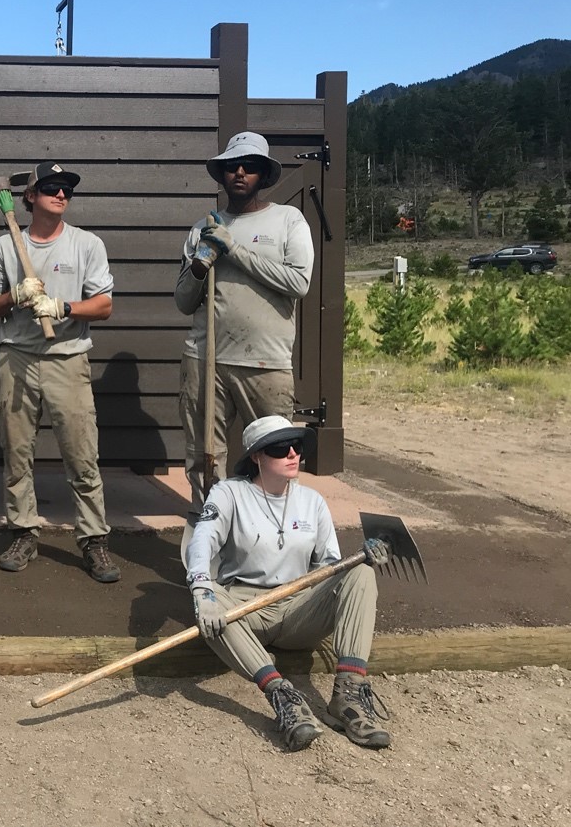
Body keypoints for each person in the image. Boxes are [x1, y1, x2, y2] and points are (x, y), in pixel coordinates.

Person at [185, 415, 394, 751]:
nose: (293, 454)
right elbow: (202, 539)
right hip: (245, 608)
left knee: (360, 573)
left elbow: (328, 567)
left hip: (299, 607)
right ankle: (284, 697)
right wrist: (201, 588)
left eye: (297, 446)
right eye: (281, 448)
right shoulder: (230, 493)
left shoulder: (312, 502)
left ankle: (349, 698)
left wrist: (359, 560)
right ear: (256, 456)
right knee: (206, 601)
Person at [0, 161, 120, 583]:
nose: (61, 194)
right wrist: (14, 296)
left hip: (68, 357)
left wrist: (64, 307)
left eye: (66, 189)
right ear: (29, 197)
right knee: (17, 452)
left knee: (82, 454)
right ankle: (24, 531)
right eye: (51, 187)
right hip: (16, 357)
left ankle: (94, 539)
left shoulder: (87, 244)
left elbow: (105, 305)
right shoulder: (6, 246)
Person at [175, 132, 315, 510]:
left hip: (265, 363)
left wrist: (232, 249)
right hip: (206, 360)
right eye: (232, 166)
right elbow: (184, 302)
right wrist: (201, 266)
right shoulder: (201, 228)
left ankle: (269, 544)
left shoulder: (288, 220)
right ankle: (212, 537)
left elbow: (298, 282)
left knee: (273, 459)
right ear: (221, 174)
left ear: (263, 175)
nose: (240, 172)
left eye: (250, 166)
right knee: (205, 458)